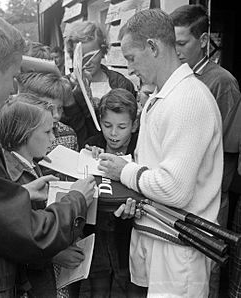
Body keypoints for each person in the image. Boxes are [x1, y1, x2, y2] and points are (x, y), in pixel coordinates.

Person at [0, 11, 96, 297]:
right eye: (13, 77)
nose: (14, 88)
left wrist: (20, 195)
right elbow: (33, 236)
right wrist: (77, 199)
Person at [98, 9, 223, 297]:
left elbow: (174, 189)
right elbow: (152, 170)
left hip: (176, 254)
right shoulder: (162, 96)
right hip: (155, 241)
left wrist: (123, 171)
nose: (129, 69)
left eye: (131, 57)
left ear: (153, 47)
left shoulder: (188, 99)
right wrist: (129, 192)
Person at [170, 5, 241, 297]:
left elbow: (230, 147)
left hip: (208, 195)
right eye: (170, 43)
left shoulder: (221, 81)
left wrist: (214, 193)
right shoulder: (176, 77)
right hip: (178, 191)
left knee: (205, 266)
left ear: (203, 40)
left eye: (182, 43)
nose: (175, 51)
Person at [0, 93, 84, 297]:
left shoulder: (32, 164)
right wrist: (53, 255)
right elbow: (16, 241)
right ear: (24, 134)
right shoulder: (10, 177)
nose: (53, 138)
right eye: (47, 131)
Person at [82, 88, 139, 297]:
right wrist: (88, 157)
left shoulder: (140, 148)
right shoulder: (93, 144)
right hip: (97, 234)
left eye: (122, 127)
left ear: (134, 125)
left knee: (127, 286)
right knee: (98, 287)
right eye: (107, 125)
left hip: (128, 235)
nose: (113, 133)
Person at [63, 20, 136, 148]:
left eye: (92, 55)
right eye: (81, 56)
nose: (87, 62)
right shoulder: (65, 86)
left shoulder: (120, 84)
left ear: (102, 51)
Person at [16, 71, 79, 153]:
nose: (56, 115)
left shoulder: (69, 135)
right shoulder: (17, 137)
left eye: (59, 108)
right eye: (50, 109)